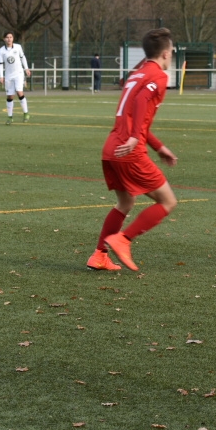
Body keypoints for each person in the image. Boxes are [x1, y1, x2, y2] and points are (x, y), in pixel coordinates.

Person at [88, 28, 179, 272]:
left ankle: (99, 255)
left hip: (111, 148)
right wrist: (134, 137)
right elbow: (139, 104)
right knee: (168, 201)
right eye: (171, 53)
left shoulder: (136, 75)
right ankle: (123, 239)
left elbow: (134, 114)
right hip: (129, 150)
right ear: (166, 53)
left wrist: (158, 147)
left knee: (125, 202)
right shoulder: (158, 77)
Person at [0, 32, 31, 124]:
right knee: (10, 96)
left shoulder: (18, 47)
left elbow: (22, 57)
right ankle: (10, 117)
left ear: (13, 38)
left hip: (19, 73)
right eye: (7, 37)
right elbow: (0, 64)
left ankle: (26, 113)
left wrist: (26, 68)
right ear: (4, 39)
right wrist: (1, 76)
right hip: (8, 75)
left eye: (10, 37)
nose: (9, 39)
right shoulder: (1, 51)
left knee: (19, 92)